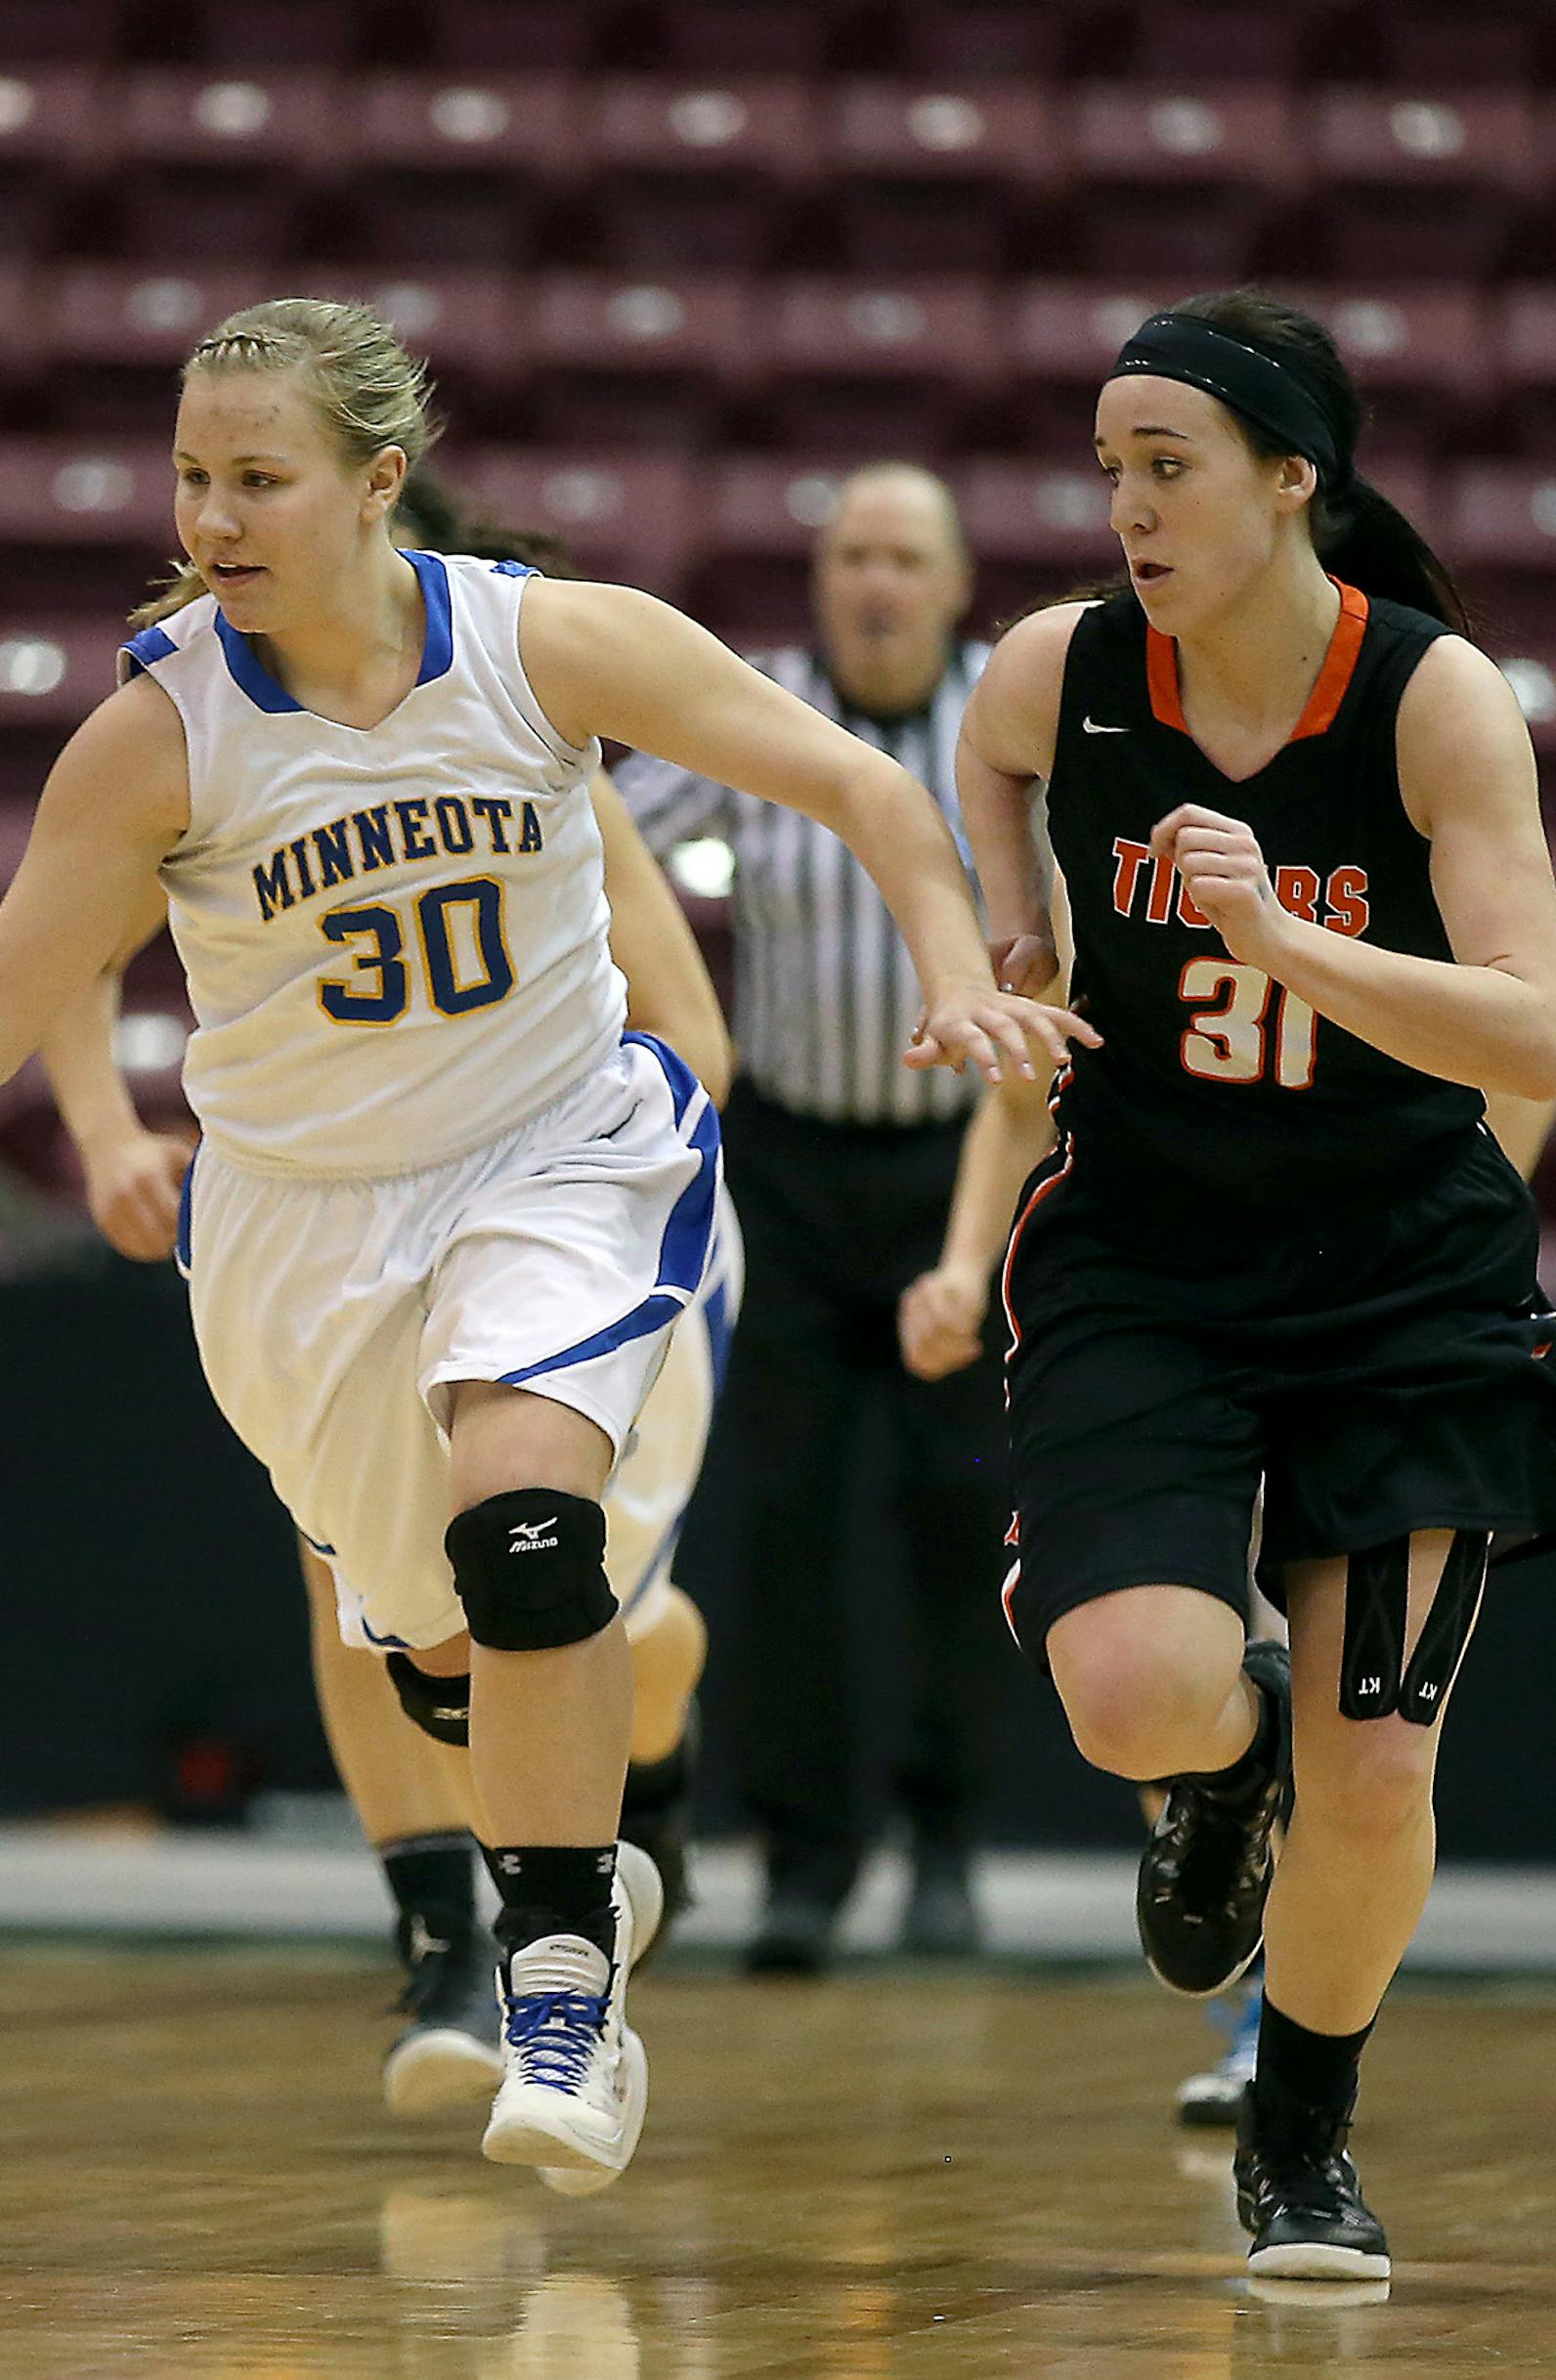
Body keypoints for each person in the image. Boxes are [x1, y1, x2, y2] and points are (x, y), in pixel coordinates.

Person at [0, 296, 1080, 2195]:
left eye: (260, 476)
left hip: (557, 1150)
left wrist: (947, 966)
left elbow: (857, 782)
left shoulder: (540, 640)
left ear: (377, 482)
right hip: (304, 1224)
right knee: (439, 1649)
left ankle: (560, 1982)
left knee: (528, 1526)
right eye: (194, 475)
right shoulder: (156, 733)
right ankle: (588, 1817)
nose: (218, 512)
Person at [951, 286, 1556, 2276]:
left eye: (1167, 463)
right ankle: (1213, 1781)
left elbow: (1537, 1034)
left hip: (1402, 1265)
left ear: (1293, 480)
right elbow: (987, 746)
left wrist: (1294, 942)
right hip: (1149, 1246)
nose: (1124, 503)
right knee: (1136, 1690)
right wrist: (1011, 929)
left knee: (1377, 1764)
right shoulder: (1073, 666)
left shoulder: (1430, 694)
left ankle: (1303, 2129)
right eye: (1110, 463)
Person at [42, 467, 743, 2107]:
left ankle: (642, 1802)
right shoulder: (196, 728)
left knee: (597, 1606)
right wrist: (105, 1132)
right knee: (362, 1590)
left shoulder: (535, 741)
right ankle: (447, 1937)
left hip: (582, 1211)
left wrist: (550, 1163)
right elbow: (59, 947)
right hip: (339, 1225)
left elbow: (695, 1037)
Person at [902, 916, 1554, 2132]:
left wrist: (1453, 1264)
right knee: (1159, 1672)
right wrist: (961, 1257)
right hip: (1168, 1302)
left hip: (1382, 1295)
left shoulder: (1430, 790)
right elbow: (1031, 1076)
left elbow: (1508, 1087)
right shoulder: (1115, 801)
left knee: (1358, 1725)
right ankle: (1234, 1795)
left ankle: (1283, 2039)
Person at [616, 462, 1016, 1971]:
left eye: (906, 557)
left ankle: (948, 1839)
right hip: (784, 1168)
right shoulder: (762, 706)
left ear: (956, 581)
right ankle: (801, 1855)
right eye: (853, 555)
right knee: (779, 1527)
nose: (876, 584)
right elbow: (596, 823)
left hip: (962, 1168)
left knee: (957, 1515)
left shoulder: (1009, 722)